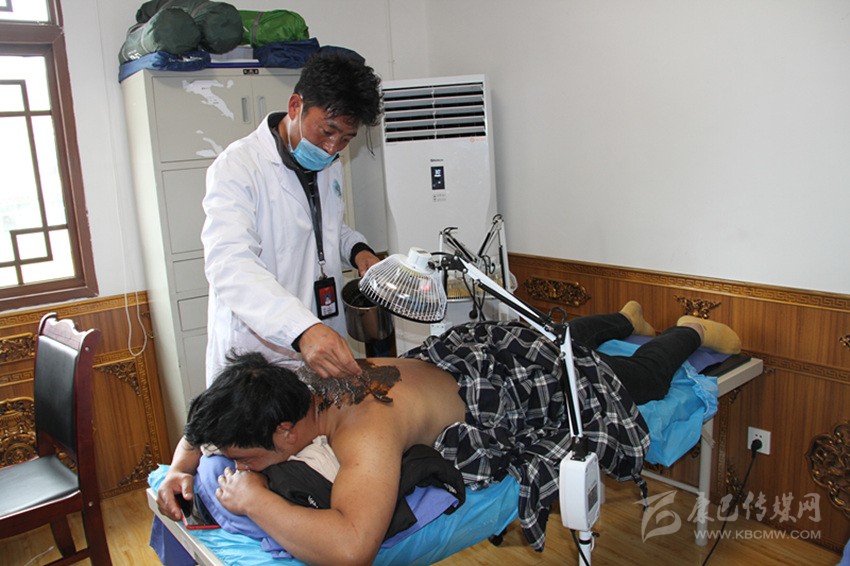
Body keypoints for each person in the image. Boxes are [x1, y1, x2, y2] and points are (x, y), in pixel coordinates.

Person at [156, 303, 741, 563]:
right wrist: (181, 467)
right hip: (461, 358)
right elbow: (207, 427)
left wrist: (256, 501)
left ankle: (689, 330)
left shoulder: (365, 431)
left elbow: (353, 546)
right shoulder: (284, 380)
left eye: (245, 458)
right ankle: (624, 318)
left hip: (505, 389)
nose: (238, 465)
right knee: (551, 338)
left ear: (286, 434)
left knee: (629, 379)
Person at [202, 49, 383, 383]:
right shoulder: (238, 167)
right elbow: (230, 264)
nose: (333, 148)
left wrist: (359, 251)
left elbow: (326, 227)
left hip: (318, 337)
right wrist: (299, 329)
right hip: (260, 353)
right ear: (296, 106)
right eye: (327, 131)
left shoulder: (330, 165)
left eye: (346, 139)